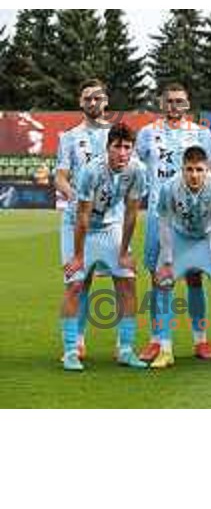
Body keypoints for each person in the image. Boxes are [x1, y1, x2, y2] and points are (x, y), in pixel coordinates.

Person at [136, 83, 211, 363]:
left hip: (194, 215)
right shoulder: (148, 134)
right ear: (162, 103)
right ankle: (156, 340)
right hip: (159, 215)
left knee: (195, 275)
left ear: (188, 104)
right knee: (158, 278)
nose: (174, 106)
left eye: (180, 102)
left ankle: (201, 341)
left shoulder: (201, 134)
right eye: (169, 101)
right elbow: (137, 169)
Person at [61, 124, 147, 371]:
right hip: (77, 226)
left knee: (127, 280)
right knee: (75, 283)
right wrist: (78, 256)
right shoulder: (91, 171)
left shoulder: (138, 170)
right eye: (117, 147)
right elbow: (83, 217)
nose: (122, 153)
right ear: (107, 147)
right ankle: (70, 351)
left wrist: (123, 252)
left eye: (127, 147)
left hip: (111, 226)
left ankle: (126, 350)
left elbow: (131, 214)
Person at [152, 146, 211, 369]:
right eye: (189, 169)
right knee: (163, 283)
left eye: (199, 170)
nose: (194, 175)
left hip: (209, 238)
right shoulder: (169, 187)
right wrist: (166, 261)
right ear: (182, 168)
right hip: (180, 238)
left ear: (207, 169)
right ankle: (165, 350)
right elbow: (163, 224)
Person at [55, 78, 111, 360]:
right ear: (80, 102)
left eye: (97, 98)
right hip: (77, 219)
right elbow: (60, 176)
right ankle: (76, 342)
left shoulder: (117, 136)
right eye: (87, 98)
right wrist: (74, 194)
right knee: (78, 281)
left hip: (110, 221)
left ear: (106, 101)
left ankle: (125, 345)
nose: (92, 103)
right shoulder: (68, 137)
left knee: (124, 281)